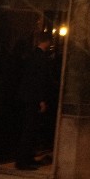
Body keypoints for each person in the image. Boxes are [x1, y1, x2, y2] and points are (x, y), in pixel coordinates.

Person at [15, 31, 54, 170]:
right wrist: (42, 100)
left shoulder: (31, 55)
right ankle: (23, 161)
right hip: (34, 98)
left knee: (29, 129)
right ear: (47, 42)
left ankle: (28, 158)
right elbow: (39, 80)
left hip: (27, 97)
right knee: (30, 130)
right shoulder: (41, 58)